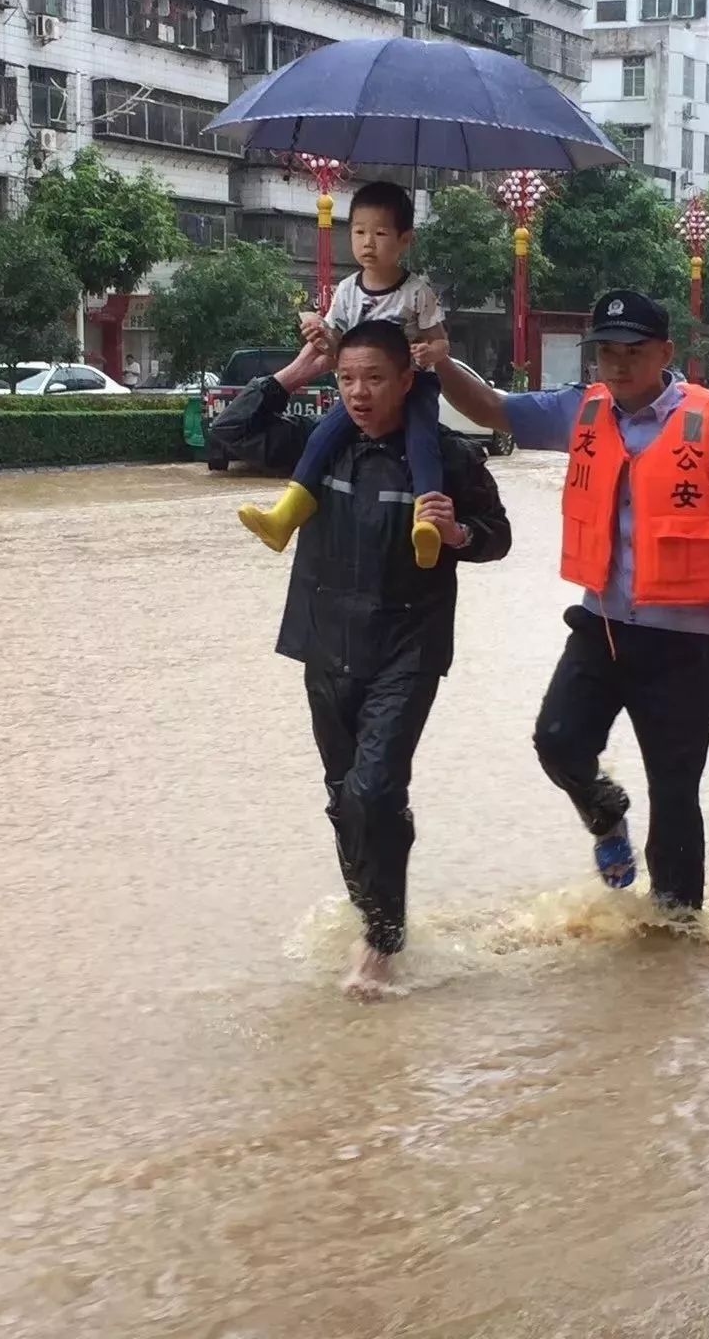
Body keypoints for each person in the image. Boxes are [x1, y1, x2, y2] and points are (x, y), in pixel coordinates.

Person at [429, 289, 709, 912]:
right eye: (605, 353)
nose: (616, 366)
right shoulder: (579, 412)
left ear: (665, 352)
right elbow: (493, 408)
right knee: (557, 741)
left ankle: (677, 937)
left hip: (684, 646)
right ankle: (605, 811)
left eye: (632, 352)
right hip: (602, 628)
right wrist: (442, 364)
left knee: (673, 796)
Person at [210, 320, 512, 995]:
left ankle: (379, 944)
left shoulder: (447, 458)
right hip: (325, 643)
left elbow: (498, 538)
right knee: (347, 798)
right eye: (347, 379)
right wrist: (297, 371)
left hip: (407, 648)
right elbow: (225, 435)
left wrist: (460, 531)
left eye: (375, 378)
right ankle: (376, 915)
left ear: (408, 380)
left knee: (373, 789)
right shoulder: (320, 450)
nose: (359, 393)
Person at [237, 181, 448, 568]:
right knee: (322, 436)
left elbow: (441, 344)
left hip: (413, 383)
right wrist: (321, 333)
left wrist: (427, 351)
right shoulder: (347, 290)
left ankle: (427, 523)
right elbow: (337, 345)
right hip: (363, 388)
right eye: (359, 232)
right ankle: (285, 516)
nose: (368, 242)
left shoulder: (418, 292)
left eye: (380, 233)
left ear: (405, 239)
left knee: (422, 441)